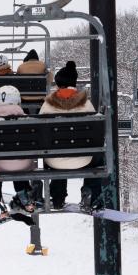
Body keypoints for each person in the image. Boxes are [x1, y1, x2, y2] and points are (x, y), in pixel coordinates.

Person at [38, 61, 101, 210]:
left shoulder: (48, 105)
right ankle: (90, 192)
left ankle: (58, 197)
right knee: (99, 156)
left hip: (55, 162)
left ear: (58, 84)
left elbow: (40, 132)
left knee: (54, 151)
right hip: (84, 160)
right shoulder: (86, 104)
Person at [0, 85, 36, 213]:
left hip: (1, 164)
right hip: (24, 164)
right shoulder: (26, 119)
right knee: (18, 160)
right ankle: (24, 197)